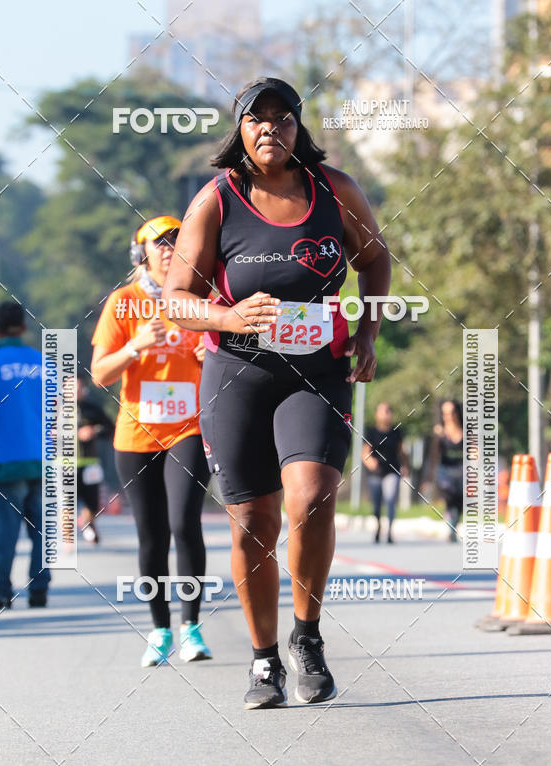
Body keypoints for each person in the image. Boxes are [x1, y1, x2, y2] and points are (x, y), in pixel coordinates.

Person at [163, 77, 391, 708]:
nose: (270, 128)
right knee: (252, 521)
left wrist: (368, 331)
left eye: (282, 117)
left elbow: (375, 259)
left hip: (316, 371)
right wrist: (229, 316)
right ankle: (264, 660)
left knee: (312, 497)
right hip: (236, 374)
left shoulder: (334, 190)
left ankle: (307, 637)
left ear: (298, 127)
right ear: (240, 130)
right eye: (256, 119)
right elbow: (177, 299)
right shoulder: (217, 200)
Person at [90, 216, 212, 665]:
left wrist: (211, 354)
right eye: (158, 242)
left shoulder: (199, 300)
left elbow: (230, 361)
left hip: (189, 429)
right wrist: (135, 346)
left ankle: (191, 628)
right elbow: (100, 374)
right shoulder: (123, 302)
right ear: (139, 253)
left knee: (184, 523)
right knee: (152, 536)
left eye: (177, 241)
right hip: (136, 435)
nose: (168, 248)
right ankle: (160, 630)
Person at [0, 301, 50, 609]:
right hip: (42, 459)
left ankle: (1, 590)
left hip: (5, 459)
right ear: (24, 328)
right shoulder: (43, 362)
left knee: (6, 531)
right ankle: (39, 589)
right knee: (41, 529)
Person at [362, 402, 409, 543]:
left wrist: (406, 466)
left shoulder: (396, 432)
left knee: (390, 500)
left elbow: (402, 451)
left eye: (388, 411)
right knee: (376, 505)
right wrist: (370, 462)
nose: (385, 414)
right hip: (375, 473)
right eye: (382, 411)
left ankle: (389, 532)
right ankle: (378, 526)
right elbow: (365, 453)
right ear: (376, 414)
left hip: (392, 470)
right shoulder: (371, 432)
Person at [76, 372, 114, 544]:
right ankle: (65, 538)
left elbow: (110, 428)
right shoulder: (55, 410)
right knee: (66, 504)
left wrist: (94, 431)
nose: (76, 391)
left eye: (79, 387)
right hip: (64, 466)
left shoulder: (92, 409)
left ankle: (88, 525)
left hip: (90, 464)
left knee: (92, 504)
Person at [430, 399, 464, 541]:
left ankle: (453, 526)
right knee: (449, 496)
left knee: (460, 501)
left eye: (452, 412)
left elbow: (474, 450)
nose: (449, 416)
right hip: (445, 471)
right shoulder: (440, 432)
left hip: (461, 471)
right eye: (446, 413)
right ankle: (451, 528)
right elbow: (434, 454)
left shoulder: (466, 431)